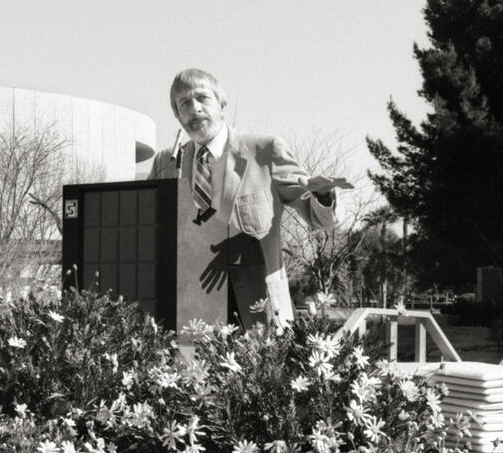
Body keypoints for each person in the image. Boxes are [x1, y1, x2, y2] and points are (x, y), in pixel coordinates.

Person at [148, 68, 351, 328]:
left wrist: (322, 195)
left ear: (222, 104)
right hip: (188, 309)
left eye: (202, 98)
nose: (194, 108)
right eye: (184, 103)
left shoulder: (264, 151)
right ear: (177, 115)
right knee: (188, 370)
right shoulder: (166, 162)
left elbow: (320, 219)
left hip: (258, 310)